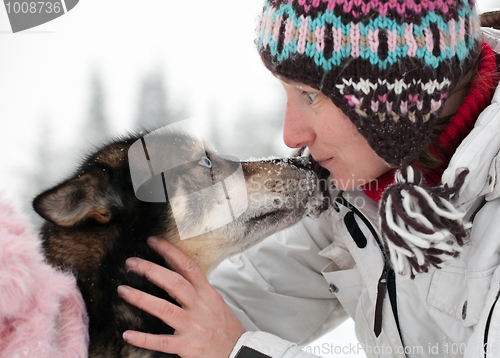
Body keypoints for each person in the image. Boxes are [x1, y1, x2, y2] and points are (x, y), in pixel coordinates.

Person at [116, 1, 500, 357]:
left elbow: (224, 340)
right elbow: (236, 305)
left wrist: (238, 351)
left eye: (310, 95)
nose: (291, 135)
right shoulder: (359, 192)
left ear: (396, 94)